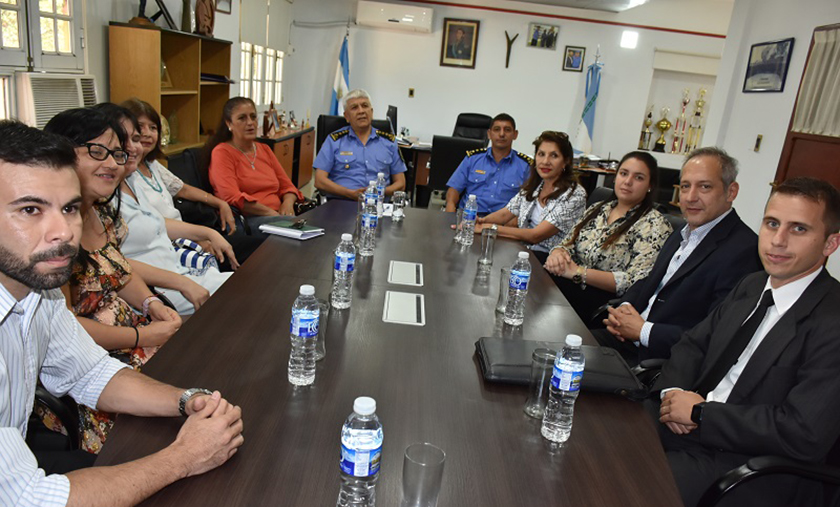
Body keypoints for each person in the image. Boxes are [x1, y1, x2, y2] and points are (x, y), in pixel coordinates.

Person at [0, 119, 243, 506]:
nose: (64, 231)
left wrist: (187, 400)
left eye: (69, 208)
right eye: (31, 209)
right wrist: (184, 457)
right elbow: (32, 499)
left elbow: (90, 372)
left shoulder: (38, 294)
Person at [653, 177, 840, 507]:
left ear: (830, 243)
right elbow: (692, 345)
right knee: (602, 433)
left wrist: (700, 414)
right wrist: (673, 393)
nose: (777, 240)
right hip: (687, 428)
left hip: (752, 467)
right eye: (772, 223)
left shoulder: (832, 320)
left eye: (798, 229)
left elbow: (802, 433)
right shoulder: (752, 285)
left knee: (627, 481)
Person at [41, 107, 182, 452]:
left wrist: (150, 303)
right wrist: (142, 335)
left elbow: (118, 271)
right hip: (90, 370)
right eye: (97, 151)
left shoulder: (100, 211)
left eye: (117, 154)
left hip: (133, 342)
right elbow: (66, 330)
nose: (113, 164)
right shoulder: (50, 237)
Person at [596, 147, 762, 365]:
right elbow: (650, 281)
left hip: (660, 362)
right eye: (685, 186)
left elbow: (715, 334)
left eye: (704, 187)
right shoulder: (682, 232)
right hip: (625, 340)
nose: (691, 197)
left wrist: (643, 331)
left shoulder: (745, 250)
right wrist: (623, 309)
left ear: (731, 192)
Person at [117, 99, 263, 264]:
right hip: (171, 245)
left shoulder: (151, 165)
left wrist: (219, 203)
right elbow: (153, 224)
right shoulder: (126, 176)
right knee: (256, 253)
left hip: (186, 235)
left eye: (153, 128)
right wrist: (200, 237)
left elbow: (182, 189)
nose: (147, 134)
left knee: (260, 248)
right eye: (140, 128)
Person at [544, 151, 672, 320]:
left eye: (638, 177)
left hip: (603, 302)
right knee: (534, 263)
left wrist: (579, 272)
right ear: (615, 177)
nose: (628, 181)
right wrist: (557, 253)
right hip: (571, 283)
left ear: (650, 185)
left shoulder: (654, 224)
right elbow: (568, 243)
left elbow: (634, 281)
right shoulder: (598, 208)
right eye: (624, 174)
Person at [468, 131, 586, 261]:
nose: (545, 161)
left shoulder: (575, 194)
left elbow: (535, 236)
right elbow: (506, 213)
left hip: (552, 261)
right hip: (523, 252)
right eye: (541, 154)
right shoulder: (536, 185)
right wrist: (480, 222)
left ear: (566, 162)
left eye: (554, 156)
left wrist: (491, 228)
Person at [206, 97, 304, 231]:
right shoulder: (222, 152)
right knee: (301, 233)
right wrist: (273, 215)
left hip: (278, 215)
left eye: (253, 117)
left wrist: (287, 204)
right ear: (229, 124)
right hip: (246, 220)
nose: (250, 123)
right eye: (242, 118)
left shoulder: (264, 149)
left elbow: (287, 186)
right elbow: (231, 197)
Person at [313, 89, 407, 200]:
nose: (361, 111)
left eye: (365, 106)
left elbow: (401, 183)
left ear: (371, 112)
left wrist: (379, 192)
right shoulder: (334, 141)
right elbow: (319, 181)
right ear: (347, 116)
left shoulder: (389, 142)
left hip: (379, 204)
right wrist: (349, 193)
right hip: (342, 202)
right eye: (354, 108)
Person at [445, 113, 532, 215]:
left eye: (507, 130)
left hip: (503, 221)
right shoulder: (472, 159)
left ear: (515, 134)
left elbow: (528, 201)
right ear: (489, 134)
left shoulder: (525, 166)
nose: (501, 134)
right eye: (497, 129)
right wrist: (450, 212)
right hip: (469, 217)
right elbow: (454, 189)